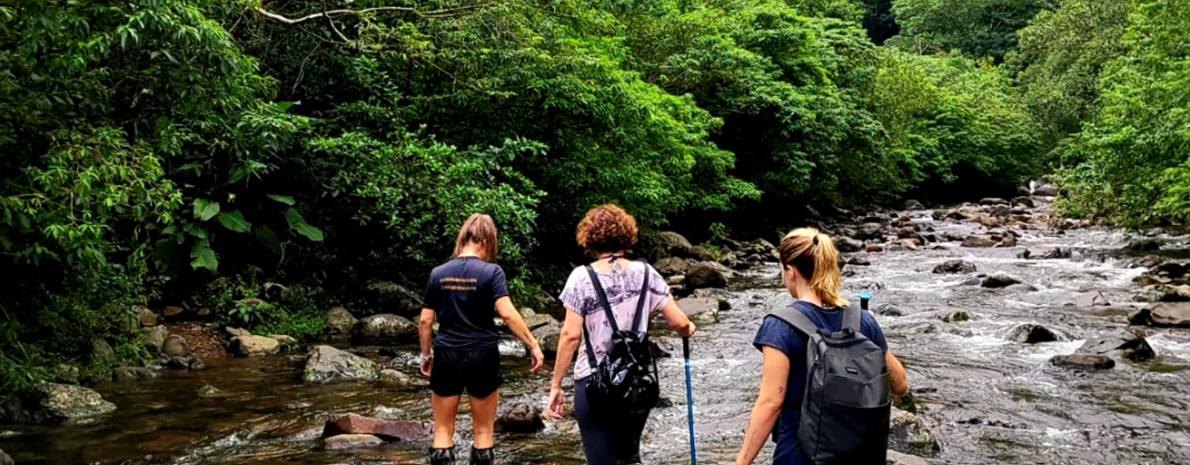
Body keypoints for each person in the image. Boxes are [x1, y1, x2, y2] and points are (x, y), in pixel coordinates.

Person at [735, 228, 909, 465]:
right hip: (858, 456)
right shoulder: (862, 320)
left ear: (791, 271)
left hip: (800, 455)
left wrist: (742, 462)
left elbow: (770, 403)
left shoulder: (780, 326)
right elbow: (899, 384)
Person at [545, 204, 697, 465]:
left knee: (601, 459)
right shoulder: (647, 273)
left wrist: (556, 385)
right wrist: (688, 329)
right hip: (638, 380)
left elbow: (570, 335)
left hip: (594, 381)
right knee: (629, 457)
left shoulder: (581, 278)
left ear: (590, 236)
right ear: (627, 235)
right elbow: (680, 323)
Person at [419, 214, 546, 465]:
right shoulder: (492, 272)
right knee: (483, 431)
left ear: (463, 237)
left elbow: (425, 321)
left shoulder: (439, 273)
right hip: (482, 355)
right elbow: (508, 313)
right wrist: (533, 344)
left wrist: (426, 354)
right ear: (487, 240)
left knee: (443, 430)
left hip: (447, 353)